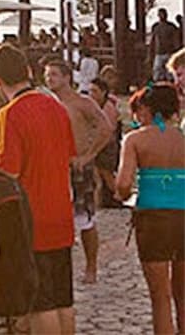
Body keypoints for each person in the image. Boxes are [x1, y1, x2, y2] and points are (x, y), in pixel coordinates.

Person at [0, 44, 77, 334]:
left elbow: (9, 171)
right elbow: (68, 155)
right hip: (61, 211)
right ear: (28, 71)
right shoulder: (55, 105)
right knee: (63, 297)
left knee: (41, 302)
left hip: (31, 218)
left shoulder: (11, 113)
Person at [116, 83, 185, 335]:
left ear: (146, 109)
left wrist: (123, 194)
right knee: (183, 293)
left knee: (160, 297)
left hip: (154, 218)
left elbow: (123, 183)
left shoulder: (135, 139)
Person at [43, 58, 114, 284]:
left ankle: (91, 266)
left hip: (78, 165)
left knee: (85, 219)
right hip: (54, 166)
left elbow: (105, 128)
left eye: (54, 74)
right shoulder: (46, 103)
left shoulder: (82, 102)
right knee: (55, 219)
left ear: (66, 77)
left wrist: (89, 154)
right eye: (47, 74)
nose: (49, 78)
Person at [88, 77, 123, 207]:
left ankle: (120, 196)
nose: (91, 94)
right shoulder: (95, 105)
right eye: (90, 91)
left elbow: (108, 130)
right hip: (98, 144)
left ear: (103, 92)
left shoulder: (108, 108)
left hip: (107, 146)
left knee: (106, 174)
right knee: (98, 175)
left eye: (95, 91)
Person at [151, 8, 180, 81]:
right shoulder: (156, 27)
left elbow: (175, 39)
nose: (161, 16)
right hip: (159, 52)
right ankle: (156, 86)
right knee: (157, 70)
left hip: (168, 52)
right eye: (160, 14)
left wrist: (176, 51)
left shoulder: (171, 27)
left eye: (162, 14)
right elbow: (153, 40)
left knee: (169, 71)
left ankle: (170, 86)